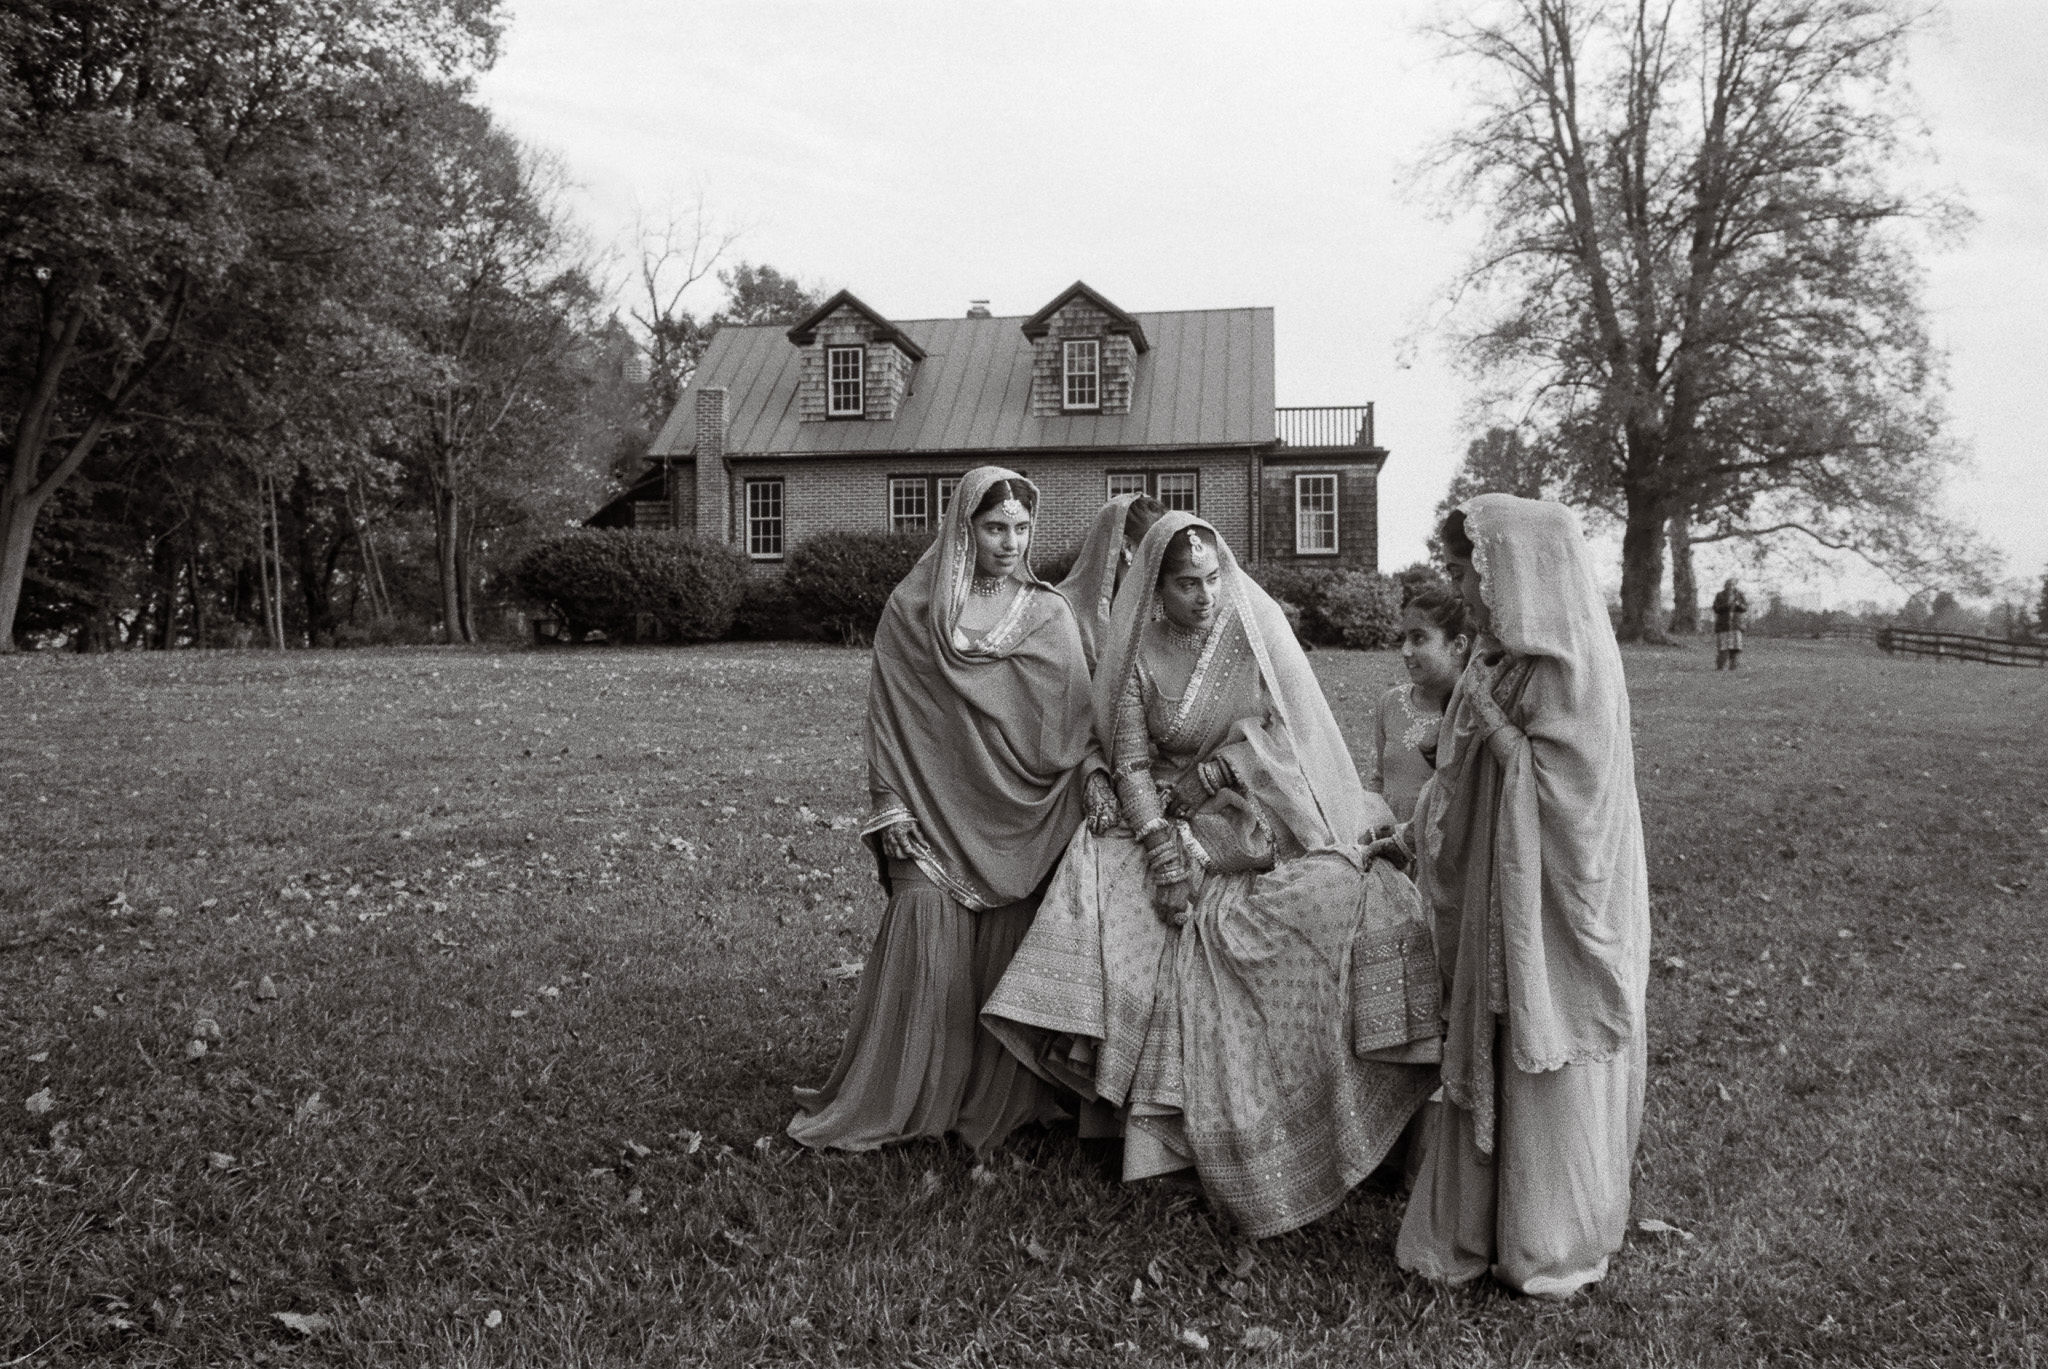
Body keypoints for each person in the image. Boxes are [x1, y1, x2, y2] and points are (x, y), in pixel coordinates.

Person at [983, 513, 1438, 1239]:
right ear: (1155, 590)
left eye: (1212, 578)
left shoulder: (1248, 635)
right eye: (1186, 584)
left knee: (1353, 894)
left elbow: (1288, 731)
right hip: (1161, 815)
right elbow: (1129, 760)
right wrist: (1163, 847)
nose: (1204, 595)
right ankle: (1150, 1118)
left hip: (1258, 810)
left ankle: (1343, 1098)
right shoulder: (1135, 653)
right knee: (1107, 878)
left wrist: (1223, 769)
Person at [789, 467, 1095, 1155]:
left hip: (1021, 817)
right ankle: (906, 1096)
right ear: (964, 527)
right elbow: (892, 715)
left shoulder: (1048, 614)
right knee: (923, 918)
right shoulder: (915, 609)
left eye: (1021, 528)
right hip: (926, 810)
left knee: (1011, 935)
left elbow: (1074, 726)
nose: (1010, 542)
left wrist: (1078, 792)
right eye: (994, 527)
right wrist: (888, 801)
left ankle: (996, 1095)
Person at [1393, 494, 1651, 1299]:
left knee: (1550, 1039)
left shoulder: (1573, 666)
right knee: (1491, 1036)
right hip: (1497, 896)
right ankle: (1474, 1224)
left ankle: (1549, 1237)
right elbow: (1455, 780)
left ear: (1520, 569)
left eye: (1476, 567)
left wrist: (1500, 737)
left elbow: (1569, 793)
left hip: (1559, 904)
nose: (1468, 585)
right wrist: (1410, 830)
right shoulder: (1495, 659)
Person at [1370, 586, 1474, 826]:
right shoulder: (1390, 703)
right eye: (1404, 638)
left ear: (1457, 645)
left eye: (1418, 638)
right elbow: (1380, 779)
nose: (1405, 651)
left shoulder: (1470, 713)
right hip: (1387, 852)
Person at [1057, 493, 1167, 672]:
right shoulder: (1065, 608)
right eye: (1157, 548)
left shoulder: (1163, 603)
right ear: (1127, 546)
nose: (1165, 559)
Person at [1713, 577, 1749, 669]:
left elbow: (1745, 608)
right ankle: (1720, 667)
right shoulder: (1720, 595)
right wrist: (1727, 605)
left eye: (1732, 584)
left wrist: (1738, 605)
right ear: (1725, 585)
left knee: (1735, 648)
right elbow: (1716, 608)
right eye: (1728, 584)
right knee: (1723, 648)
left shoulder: (1739, 595)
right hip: (1723, 625)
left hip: (1736, 625)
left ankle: (1733, 667)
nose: (1730, 586)